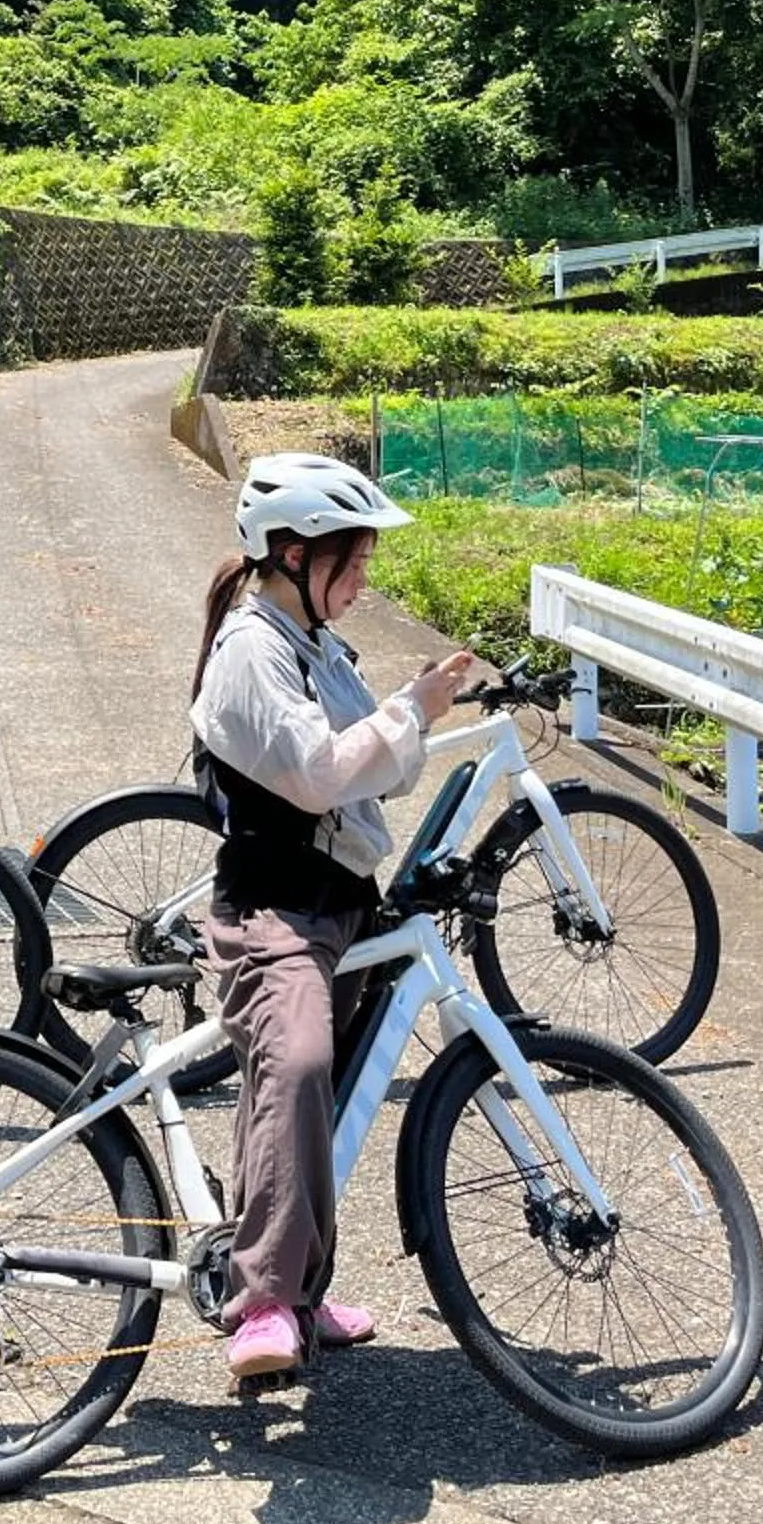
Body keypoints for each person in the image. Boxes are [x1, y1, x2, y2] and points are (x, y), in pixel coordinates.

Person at [189, 451, 477, 1382]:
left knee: (323, 1099)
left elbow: (377, 764)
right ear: (290, 555)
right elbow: (322, 773)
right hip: (276, 907)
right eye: (349, 566)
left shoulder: (311, 641)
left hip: (338, 898)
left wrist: (416, 711)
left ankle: (299, 1292)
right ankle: (262, 1300)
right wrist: (412, 708)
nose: (361, 585)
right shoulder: (252, 651)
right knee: (301, 1066)